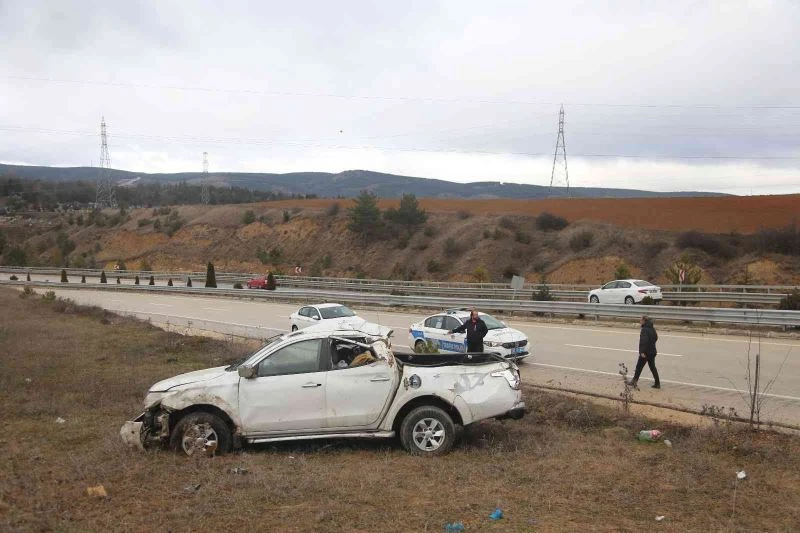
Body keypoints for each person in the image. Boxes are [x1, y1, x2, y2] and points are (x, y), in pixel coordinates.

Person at [629, 315, 660, 389]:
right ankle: (657, 383)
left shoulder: (645, 329)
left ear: (644, 321)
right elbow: (656, 337)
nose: (640, 321)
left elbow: (643, 341)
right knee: (653, 367)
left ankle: (634, 381)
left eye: (641, 320)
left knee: (639, 367)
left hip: (646, 352)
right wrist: (651, 344)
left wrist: (642, 352)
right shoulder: (652, 328)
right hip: (652, 351)